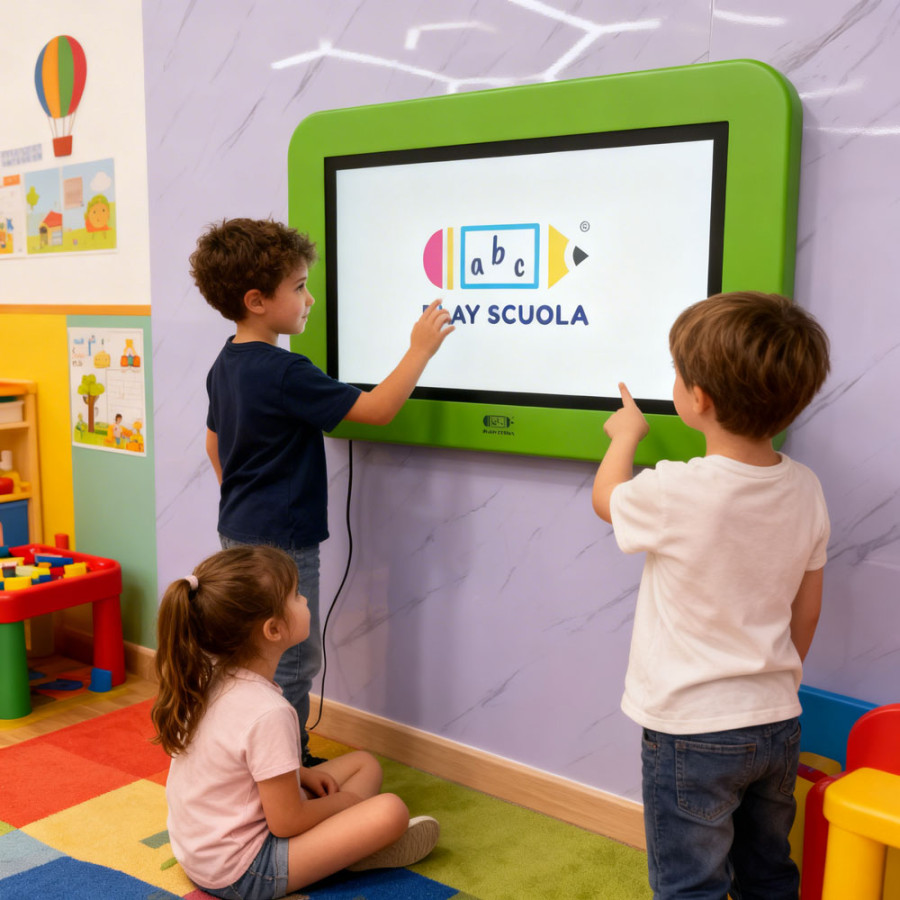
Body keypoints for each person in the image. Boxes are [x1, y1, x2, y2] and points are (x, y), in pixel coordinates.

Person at [591, 291, 831, 900]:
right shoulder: (806, 487)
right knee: (767, 870)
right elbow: (807, 608)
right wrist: (775, 680)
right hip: (777, 719)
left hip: (691, 731)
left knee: (690, 884)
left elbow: (607, 501)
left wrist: (625, 434)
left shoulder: (677, 489)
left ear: (699, 399)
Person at [190, 218, 454, 766]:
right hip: (282, 544)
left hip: (238, 530)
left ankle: (254, 761)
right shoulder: (285, 371)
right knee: (290, 659)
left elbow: (214, 446)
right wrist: (420, 349)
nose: (310, 299)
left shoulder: (227, 361)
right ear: (257, 300)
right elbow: (376, 410)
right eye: (300, 287)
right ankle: (287, 769)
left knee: (251, 653)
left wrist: (246, 500)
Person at [152, 545, 440, 899]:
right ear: (273, 629)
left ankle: (344, 846)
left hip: (200, 851)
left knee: (364, 764)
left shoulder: (207, 678)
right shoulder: (268, 712)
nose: (305, 601)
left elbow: (234, 763)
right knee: (390, 811)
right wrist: (348, 803)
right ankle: (351, 849)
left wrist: (301, 773)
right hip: (242, 871)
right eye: (296, 595)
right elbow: (286, 822)